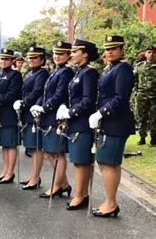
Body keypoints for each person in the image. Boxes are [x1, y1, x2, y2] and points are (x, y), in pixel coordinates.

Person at [88, 36, 135, 217]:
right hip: (109, 122)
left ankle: (110, 203)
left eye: (114, 48)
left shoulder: (123, 69)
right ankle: (110, 201)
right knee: (108, 163)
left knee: (108, 162)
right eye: (107, 49)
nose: (109, 52)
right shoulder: (110, 68)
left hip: (116, 122)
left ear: (121, 50)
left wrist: (102, 112)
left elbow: (121, 99)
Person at [57, 39, 99, 210]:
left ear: (85, 54)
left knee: (81, 161)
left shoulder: (89, 73)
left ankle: (80, 195)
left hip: (82, 122)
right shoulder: (78, 72)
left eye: (75, 52)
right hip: (75, 121)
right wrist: (65, 108)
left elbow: (88, 101)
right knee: (77, 160)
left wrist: (71, 111)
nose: (72, 54)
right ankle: (81, 194)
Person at [30, 42, 74, 198]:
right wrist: (38, 106)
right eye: (56, 53)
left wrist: (45, 107)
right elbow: (46, 93)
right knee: (49, 151)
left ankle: (56, 186)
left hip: (57, 116)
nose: (57, 56)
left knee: (57, 153)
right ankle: (64, 184)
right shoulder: (56, 71)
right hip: (48, 116)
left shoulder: (66, 72)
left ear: (69, 55)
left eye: (61, 54)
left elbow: (60, 94)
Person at [15, 46, 49, 190]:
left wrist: (23, 103)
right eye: (29, 57)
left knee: (36, 148)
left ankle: (35, 178)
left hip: (35, 113)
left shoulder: (42, 73)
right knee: (32, 148)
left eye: (35, 58)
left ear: (42, 60)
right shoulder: (31, 73)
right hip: (28, 113)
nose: (31, 60)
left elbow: (36, 92)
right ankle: (33, 176)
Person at [0, 48, 23, 183]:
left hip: (9, 112)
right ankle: (5, 170)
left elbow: (13, 93)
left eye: (6, 59)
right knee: (3, 144)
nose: (3, 61)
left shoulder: (15, 75)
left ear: (12, 60)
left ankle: (10, 172)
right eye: (1, 59)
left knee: (11, 144)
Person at [134, 45, 156, 147]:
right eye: (149, 52)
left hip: (154, 97)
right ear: (145, 54)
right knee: (141, 117)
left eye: (153, 52)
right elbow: (134, 80)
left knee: (154, 118)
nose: (151, 55)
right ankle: (142, 138)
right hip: (141, 96)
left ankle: (154, 139)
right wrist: (135, 92)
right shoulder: (139, 66)